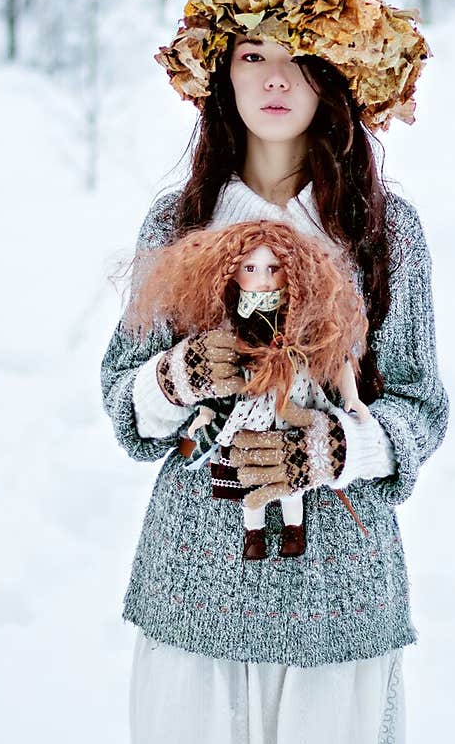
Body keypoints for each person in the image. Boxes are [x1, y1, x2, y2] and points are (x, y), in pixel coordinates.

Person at [100, 0, 450, 744]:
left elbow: (420, 404)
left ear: (335, 76)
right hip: (203, 567)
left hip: (334, 577)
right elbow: (123, 401)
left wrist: (333, 446)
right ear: (222, 76)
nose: (275, 77)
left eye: (299, 55)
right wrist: (184, 376)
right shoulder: (176, 225)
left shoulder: (383, 229)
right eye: (252, 54)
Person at [122, 219, 373, 561]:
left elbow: (340, 355)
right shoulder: (228, 318)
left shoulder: (303, 317)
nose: (264, 279)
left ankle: (292, 532)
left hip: (296, 398)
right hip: (249, 405)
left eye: (274, 268)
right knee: (250, 474)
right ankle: (254, 535)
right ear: (232, 272)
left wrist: (356, 429)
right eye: (250, 268)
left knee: (292, 474)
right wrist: (184, 389)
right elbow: (209, 378)